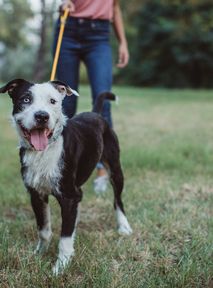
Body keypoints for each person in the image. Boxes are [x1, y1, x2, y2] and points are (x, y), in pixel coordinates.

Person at [54, 0, 129, 193]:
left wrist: (123, 42)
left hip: (99, 35)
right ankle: (59, 164)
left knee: (103, 103)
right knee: (66, 104)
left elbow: (115, 7)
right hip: (68, 27)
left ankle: (102, 168)